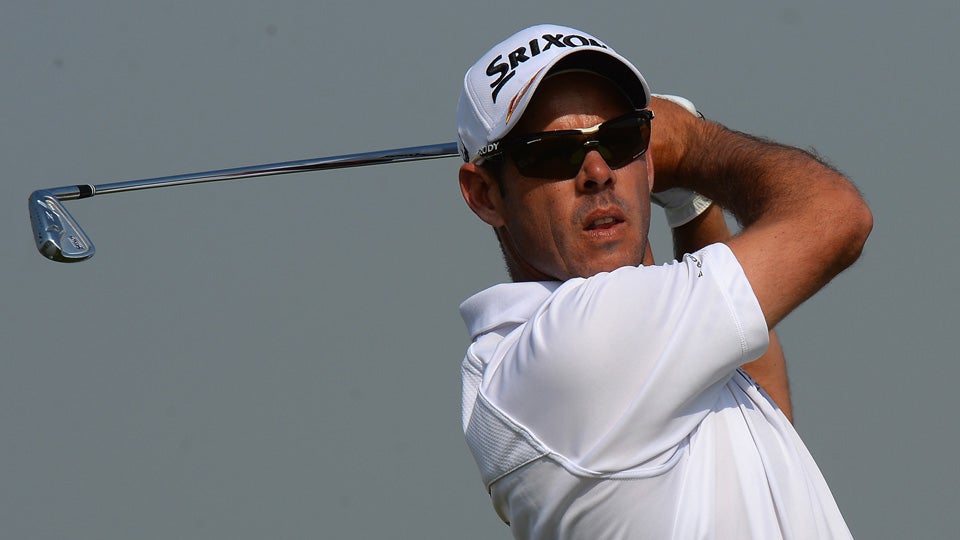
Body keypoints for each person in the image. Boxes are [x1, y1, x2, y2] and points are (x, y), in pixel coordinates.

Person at [455, 24, 872, 539]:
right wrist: (695, 145)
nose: (598, 171)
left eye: (621, 139)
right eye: (553, 152)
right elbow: (836, 217)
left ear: (647, 162)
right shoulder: (572, 349)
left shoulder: (567, 361)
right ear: (485, 194)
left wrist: (690, 206)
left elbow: (759, 404)